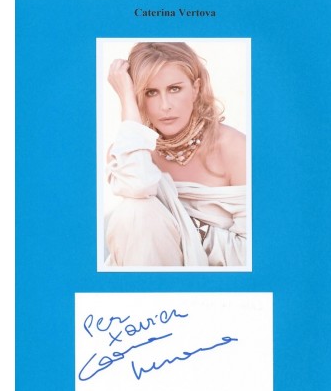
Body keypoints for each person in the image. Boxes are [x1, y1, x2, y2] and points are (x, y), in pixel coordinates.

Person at [105, 42, 247, 266]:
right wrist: (127, 101)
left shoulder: (234, 147)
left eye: (174, 89)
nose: (165, 106)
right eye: (150, 92)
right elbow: (137, 185)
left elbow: (251, 254)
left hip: (215, 282)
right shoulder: (131, 151)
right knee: (135, 210)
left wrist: (183, 228)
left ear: (196, 89)